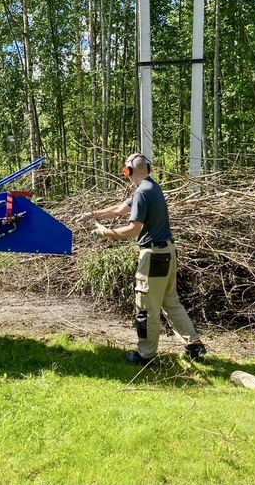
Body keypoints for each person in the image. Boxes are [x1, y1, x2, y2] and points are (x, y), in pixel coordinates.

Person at [77, 153, 207, 365]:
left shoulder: (142, 193)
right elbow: (120, 209)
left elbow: (133, 229)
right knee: (170, 301)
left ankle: (145, 356)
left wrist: (105, 233)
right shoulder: (151, 188)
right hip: (168, 253)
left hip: (153, 256)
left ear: (127, 171)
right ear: (148, 169)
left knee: (146, 306)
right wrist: (94, 215)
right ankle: (195, 346)